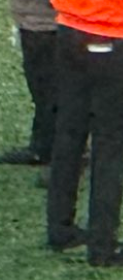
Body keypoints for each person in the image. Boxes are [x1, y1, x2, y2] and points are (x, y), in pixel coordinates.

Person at [44, 0, 123, 266]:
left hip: (70, 29)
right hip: (113, 32)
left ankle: (59, 228)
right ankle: (102, 245)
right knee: (109, 144)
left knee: (68, 133)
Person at [0, 0, 59, 167]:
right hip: (38, 21)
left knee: (48, 90)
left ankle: (50, 150)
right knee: (43, 89)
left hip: (46, 23)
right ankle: (45, 145)